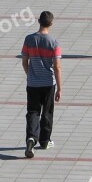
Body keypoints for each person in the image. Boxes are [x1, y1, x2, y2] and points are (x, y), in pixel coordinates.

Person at [21, 11, 62, 158]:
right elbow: (57, 67)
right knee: (47, 112)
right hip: (48, 83)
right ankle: (45, 140)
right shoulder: (54, 42)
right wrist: (60, 87)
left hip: (33, 83)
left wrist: (30, 74)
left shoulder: (29, 39)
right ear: (51, 23)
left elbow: (24, 61)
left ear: (39, 21)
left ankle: (31, 138)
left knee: (33, 111)